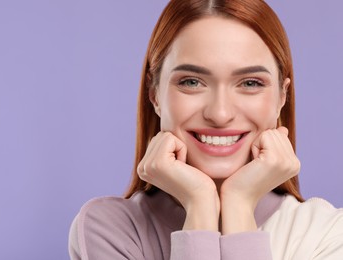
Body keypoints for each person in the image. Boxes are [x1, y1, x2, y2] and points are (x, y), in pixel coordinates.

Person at [69, 0, 343, 259]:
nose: (220, 114)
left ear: (282, 97)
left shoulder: (327, 235)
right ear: (154, 94)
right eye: (191, 82)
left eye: (250, 83)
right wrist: (199, 205)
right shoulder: (109, 228)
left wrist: (239, 203)